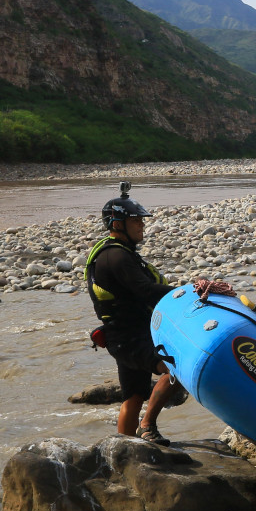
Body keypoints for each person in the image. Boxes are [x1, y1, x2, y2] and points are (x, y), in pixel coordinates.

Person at [86, 182, 177, 445]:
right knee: (177, 369)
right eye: (135, 220)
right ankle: (146, 426)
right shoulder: (116, 257)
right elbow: (146, 290)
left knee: (134, 397)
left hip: (123, 334)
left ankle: (123, 450)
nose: (142, 225)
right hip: (130, 336)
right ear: (117, 224)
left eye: (141, 220)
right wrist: (184, 292)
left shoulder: (116, 253)